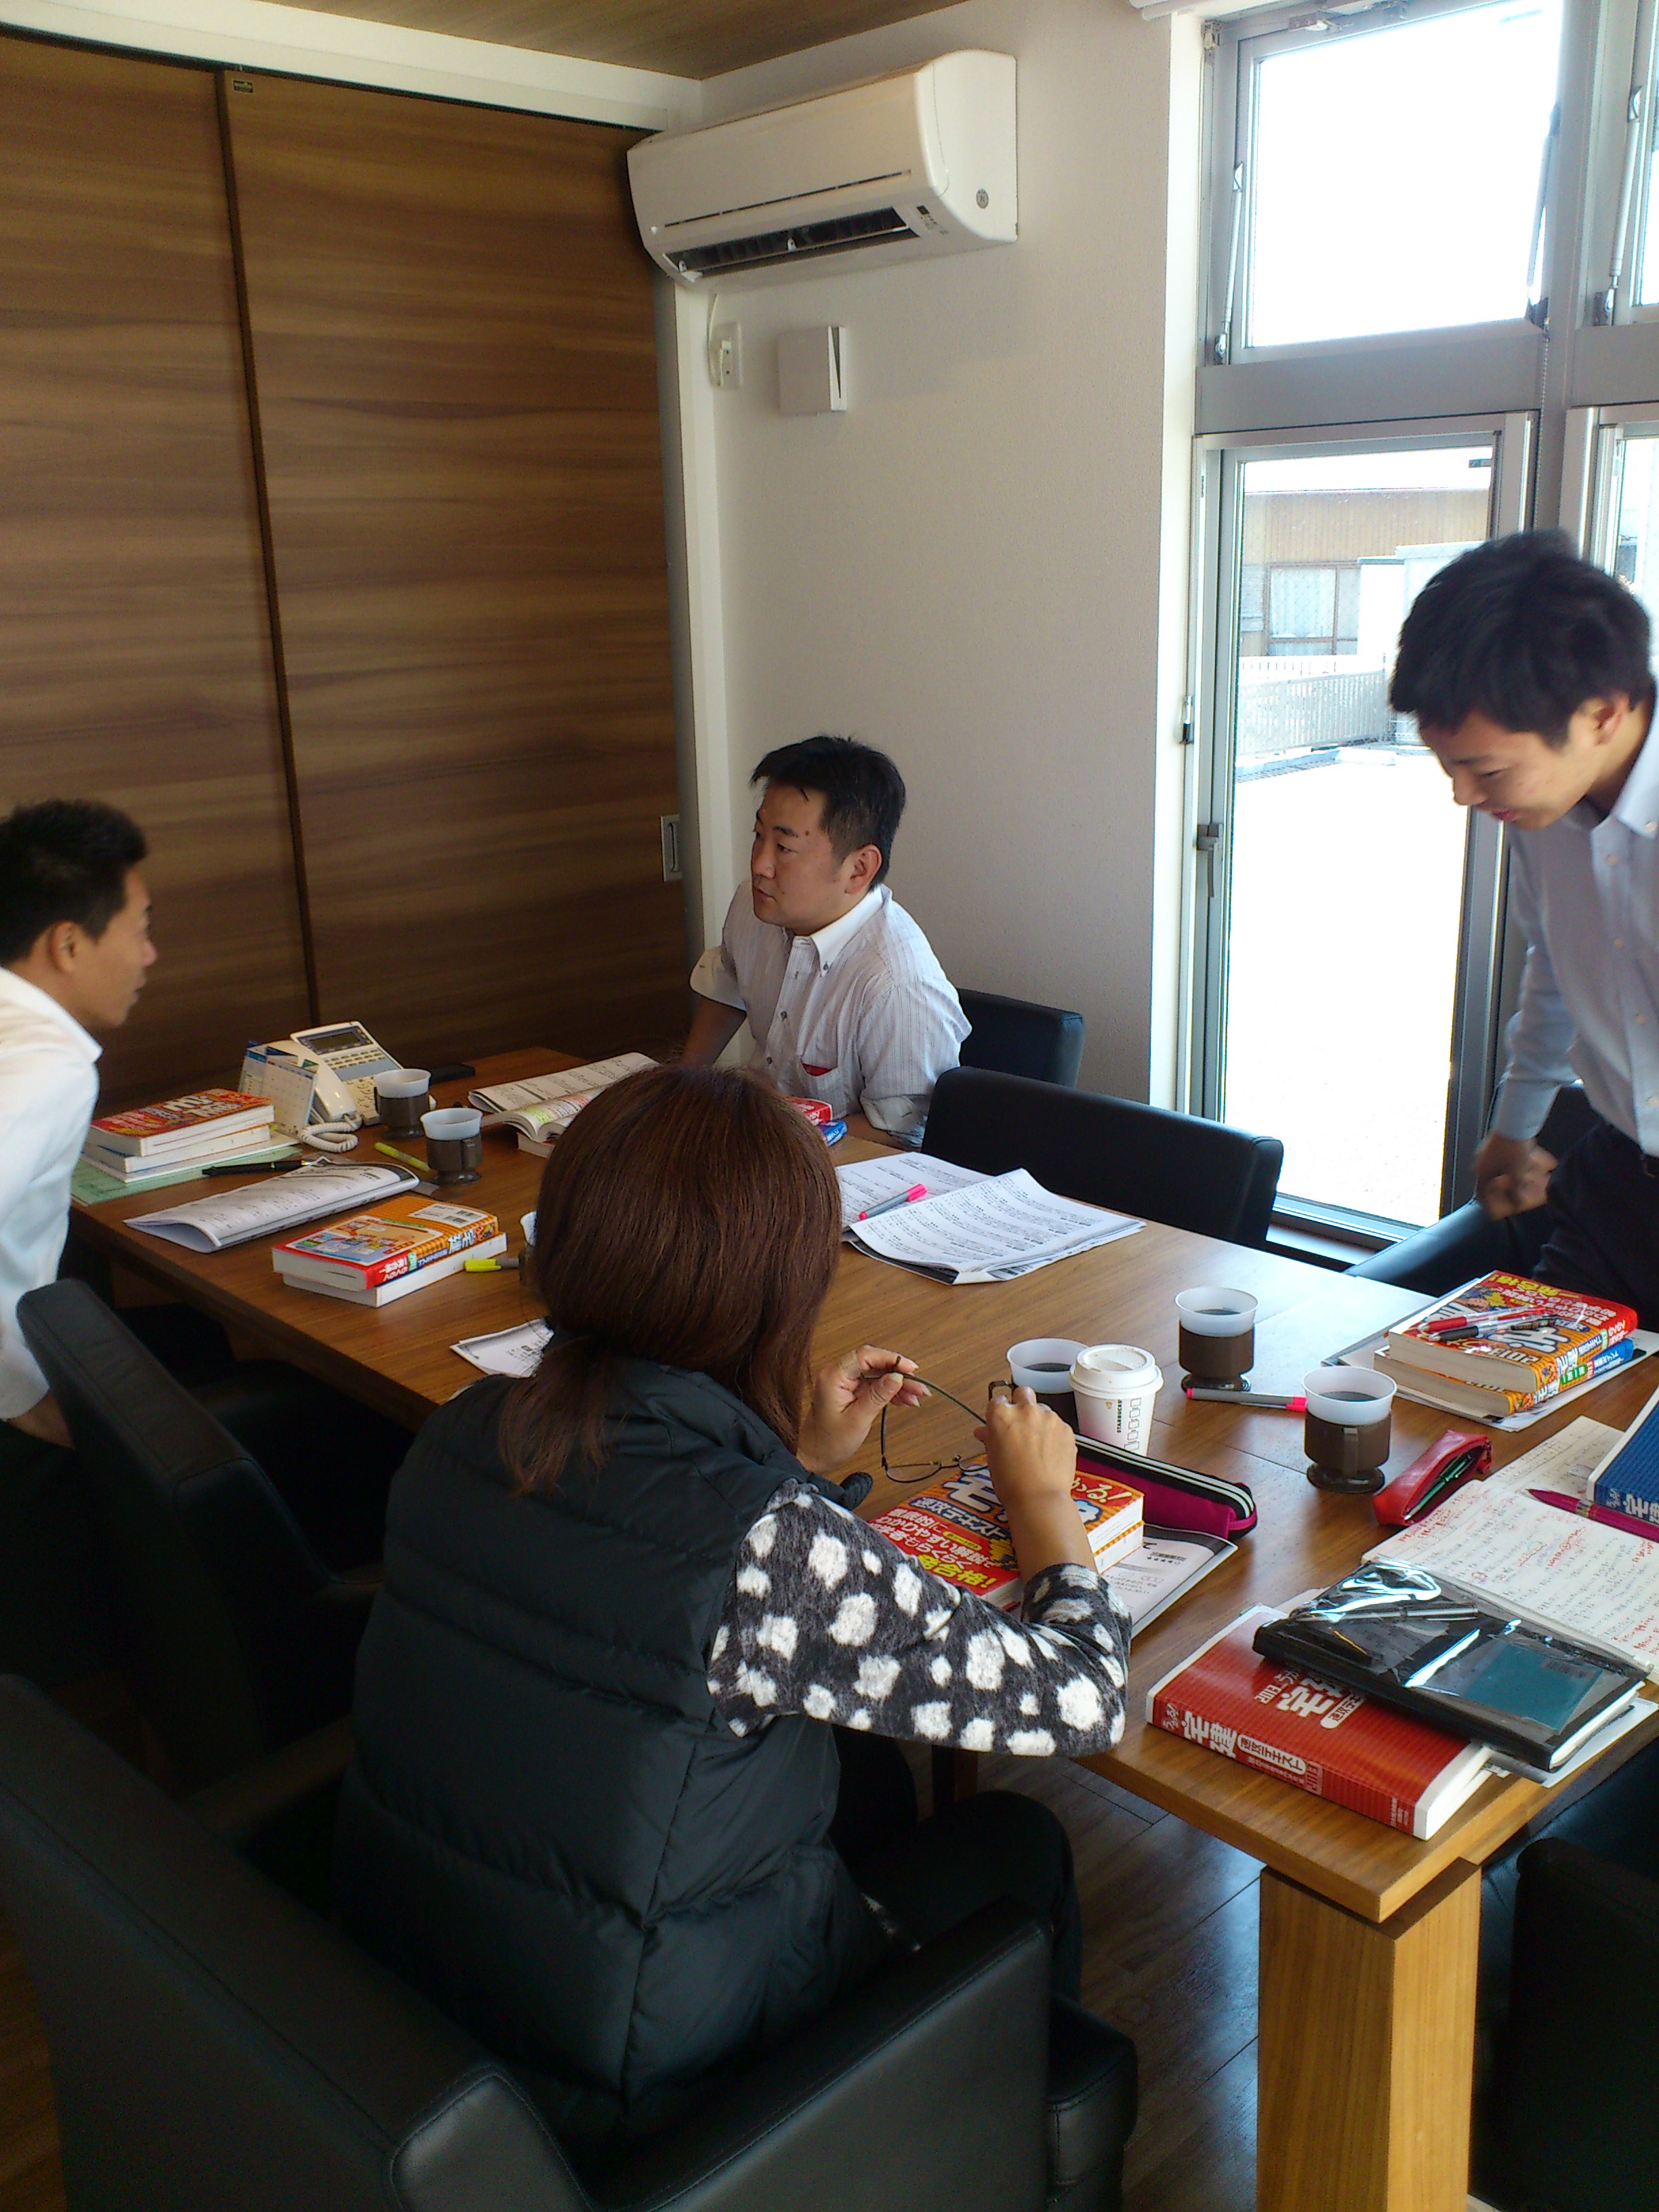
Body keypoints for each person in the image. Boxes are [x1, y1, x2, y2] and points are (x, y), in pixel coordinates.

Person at [333, 1062, 1130, 2152]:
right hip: (658, 2099)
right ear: (779, 1296)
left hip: (436, 2001)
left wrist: (789, 1458)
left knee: (864, 1780)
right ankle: (980, 2155)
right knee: (1016, 1840)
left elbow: (645, 1564)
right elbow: (1083, 1697)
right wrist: (1042, 1501)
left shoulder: (466, 1429)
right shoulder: (770, 1548)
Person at [1391, 530, 1659, 1328]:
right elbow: (1557, 968)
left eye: (1487, 770)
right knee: (1523, 1395)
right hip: (1617, 1186)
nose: (1464, 797)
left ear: (1602, 714)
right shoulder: (1545, 808)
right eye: (1450, 767)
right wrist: (1515, 1128)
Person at [683, 735, 968, 1143]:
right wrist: (680, 1090)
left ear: (858, 869)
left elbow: (902, 1134)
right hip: (758, 1132)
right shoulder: (754, 905)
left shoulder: (898, 987)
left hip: (828, 1163)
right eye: (758, 835)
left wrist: (775, 1141)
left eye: (784, 847)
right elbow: (729, 981)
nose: (760, 864)